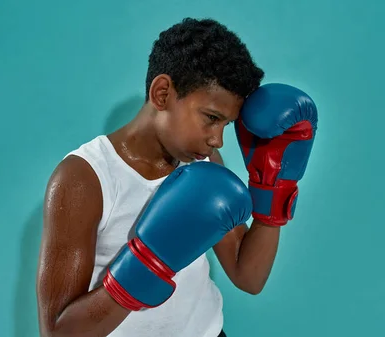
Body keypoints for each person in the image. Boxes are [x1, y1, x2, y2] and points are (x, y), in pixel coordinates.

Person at [35, 17, 317, 337]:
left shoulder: (205, 162)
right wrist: (145, 268)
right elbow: (56, 333)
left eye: (226, 125)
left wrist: (274, 188)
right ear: (162, 93)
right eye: (211, 118)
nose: (217, 140)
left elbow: (248, 276)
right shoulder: (84, 179)